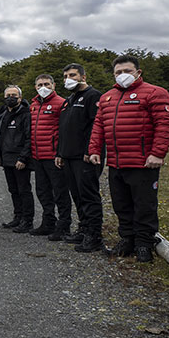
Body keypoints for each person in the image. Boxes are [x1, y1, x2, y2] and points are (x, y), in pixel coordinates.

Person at [89, 55, 169, 263]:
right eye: (118, 72)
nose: (122, 75)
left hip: (143, 162)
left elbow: (165, 125)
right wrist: (94, 149)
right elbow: (99, 126)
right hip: (116, 163)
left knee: (144, 205)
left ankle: (144, 243)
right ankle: (127, 240)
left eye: (127, 71)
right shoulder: (108, 97)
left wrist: (157, 153)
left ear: (138, 72)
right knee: (121, 204)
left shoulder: (155, 93)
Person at [55, 63, 105, 252]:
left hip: (85, 157)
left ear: (83, 77)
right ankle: (83, 230)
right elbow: (64, 129)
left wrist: (90, 150)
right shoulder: (69, 100)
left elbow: (96, 127)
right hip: (68, 156)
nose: (69, 78)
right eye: (66, 75)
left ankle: (94, 235)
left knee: (89, 196)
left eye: (73, 75)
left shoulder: (93, 96)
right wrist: (60, 153)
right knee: (77, 196)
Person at [28, 74, 73, 239]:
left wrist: (60, 153)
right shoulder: (33, 105)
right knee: (42, 191)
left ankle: (64, 225)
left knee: (60, 192)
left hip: (54, 157)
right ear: (35, 87)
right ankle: (48, 222)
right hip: (37, 156)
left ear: (54, 85)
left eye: (47, 84)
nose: (43, 87)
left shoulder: (61, 103)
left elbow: (65, 131)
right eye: (40, 84)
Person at [0, 86, 33, 233]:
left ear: (20, 98)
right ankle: (18, 217)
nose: (11, 97)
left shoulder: (25, 114)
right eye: (8, 95)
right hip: (6, 158)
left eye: (14, 95)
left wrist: (23, 158)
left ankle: (27, 220)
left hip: (20, 159)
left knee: (24, 190)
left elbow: (29, 137)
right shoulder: (2, 113)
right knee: (13, 190)